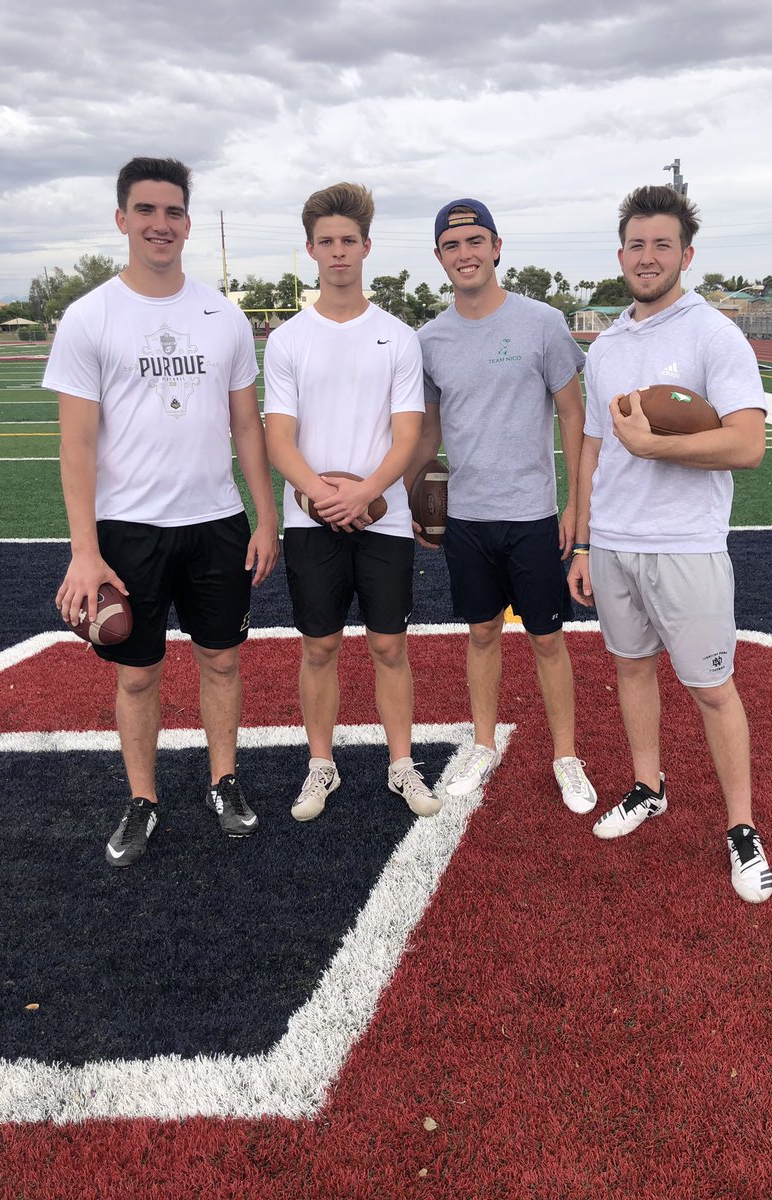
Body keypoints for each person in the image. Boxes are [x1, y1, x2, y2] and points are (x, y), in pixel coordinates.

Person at [45, 156, 280, 868]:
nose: (160, 224)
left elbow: (248, 427)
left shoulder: (223, 314)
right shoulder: (90, 316)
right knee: (137, 673)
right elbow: (77, 444)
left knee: (221, 660)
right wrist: (85, 551)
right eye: (146, 210)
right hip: (128, 530)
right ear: (122, 219)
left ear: (186, 223)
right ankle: (143, 798)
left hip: (215, 521)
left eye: (173, 211)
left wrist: (264, 518)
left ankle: (223, 781)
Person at [567, 184, 772, 904]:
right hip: (616, 541)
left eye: (662, 245)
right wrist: (586, 542)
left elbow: (749, 444)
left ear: (686, 255)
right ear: (619, 253)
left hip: (685, 544)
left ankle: (741, 827)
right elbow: (593, 446)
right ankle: (648, 786)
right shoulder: (608, 345)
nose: (647, 257)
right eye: (636, 244)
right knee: (630, 670)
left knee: (713, 690)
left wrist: (656, 449)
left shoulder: (713, 334)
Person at [411, 198, 597, 813]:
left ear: (496, 247)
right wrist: (412, 496)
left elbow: (573, 415)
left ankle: (566, 754)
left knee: (546, 637)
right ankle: (483, 744)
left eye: (475, 241)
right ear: (439, 257)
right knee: (482, 632)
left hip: (532, 512)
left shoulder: (541, 322)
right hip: (466, 516)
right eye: (452, 245)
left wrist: (576, 504)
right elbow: (429, 432)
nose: (465, 254)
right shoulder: (430, 339)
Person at [263, 183, 439, 821]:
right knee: (319, 645)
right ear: (310, 249)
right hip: (310, 517)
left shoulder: (397, 337)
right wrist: (320, 494)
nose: (338, 253)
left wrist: (364, 493)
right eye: (326, 242)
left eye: (349, 241)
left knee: (389, 645)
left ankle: (401, 764)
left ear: (367, 247)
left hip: (381, 517)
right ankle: (321, 765)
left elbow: (409, 432)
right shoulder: (288, 340)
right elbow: (277, 436)